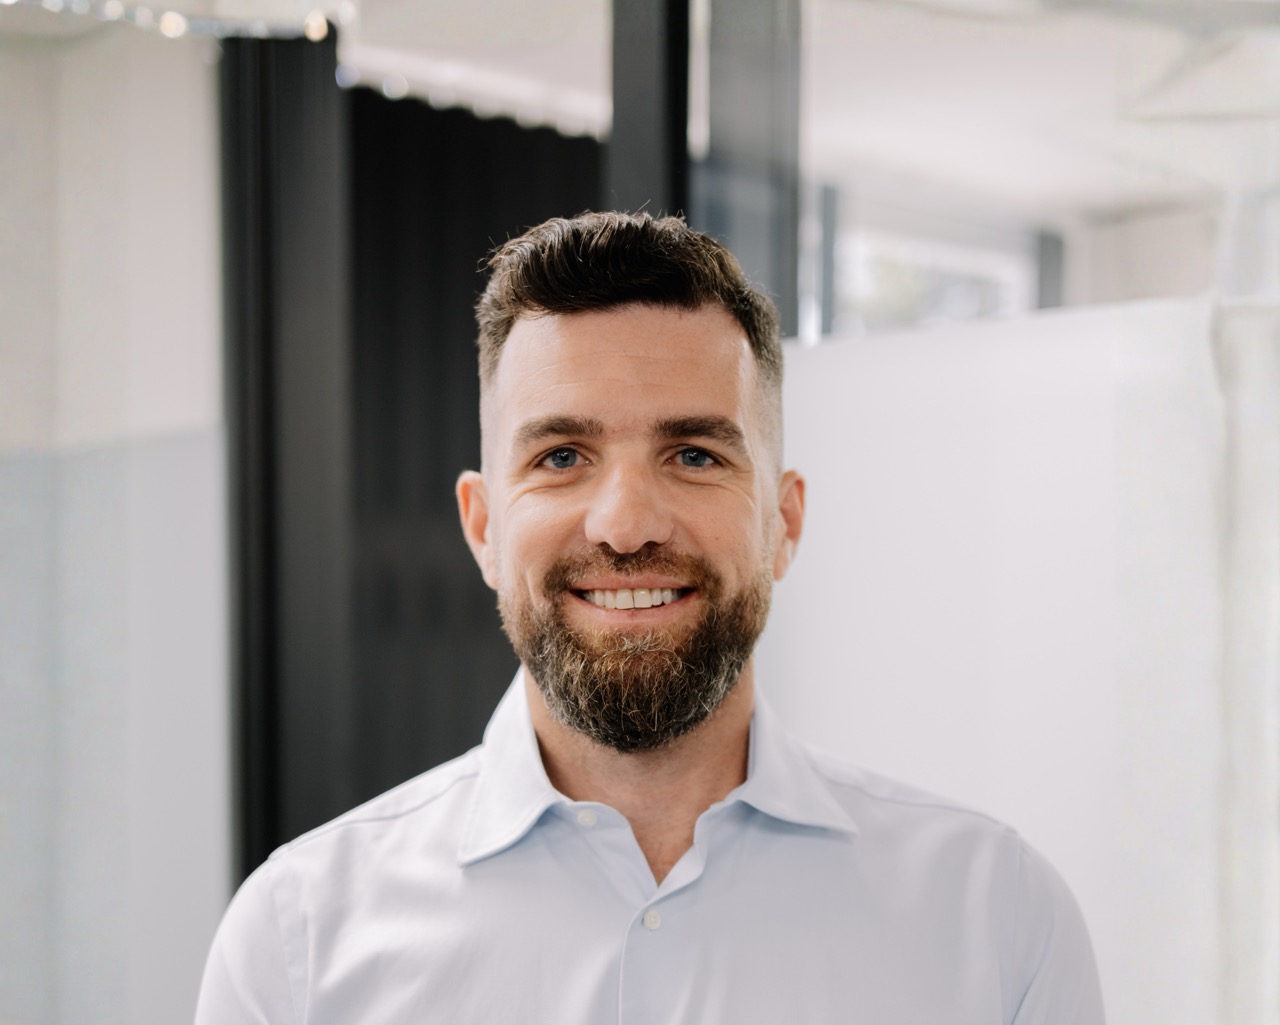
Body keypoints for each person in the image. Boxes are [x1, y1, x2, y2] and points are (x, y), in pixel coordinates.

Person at [195, 211, 1105, 1024]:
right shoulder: (299, 941)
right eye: (561, 455)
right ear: (482, 527)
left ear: (782, 522)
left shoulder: (995, 919)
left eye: (695, 454)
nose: (625, 523)